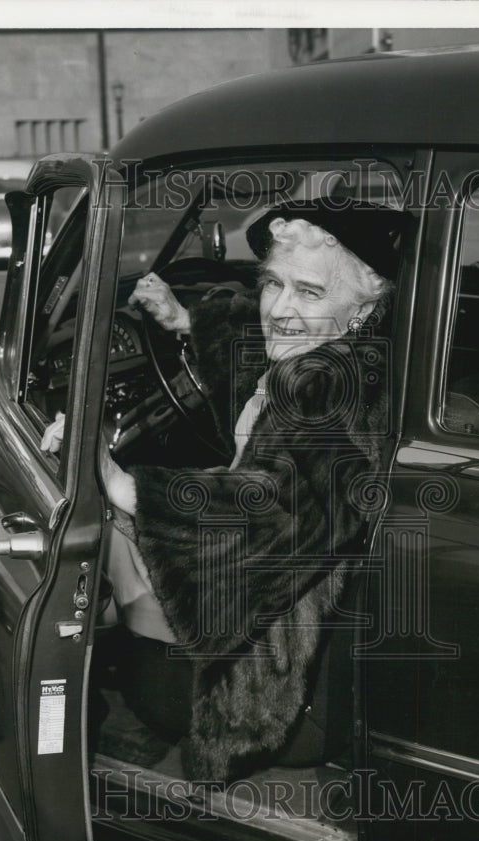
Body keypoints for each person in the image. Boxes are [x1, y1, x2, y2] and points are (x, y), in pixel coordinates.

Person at [45, 198, 407, 781]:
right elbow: (261, 355)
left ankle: (84, 690)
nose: (281, 310)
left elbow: (277, 513)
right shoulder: (335, 359)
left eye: (309, 293)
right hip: (270, 607)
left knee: (79, 540)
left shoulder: (332, 399)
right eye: (272, 285)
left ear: (363, 310)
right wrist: (186, 319)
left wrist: (119, 482)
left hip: (257, 664)